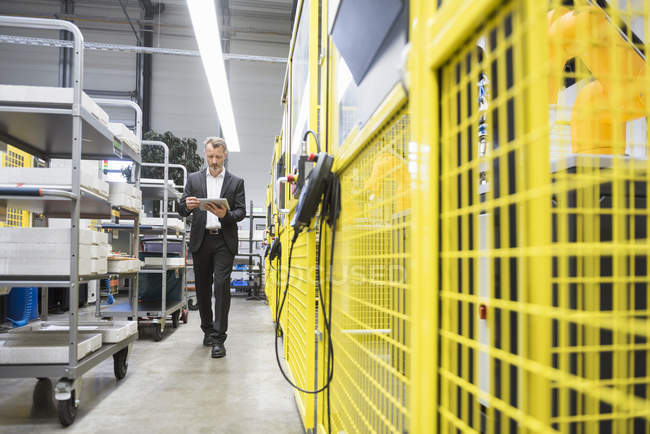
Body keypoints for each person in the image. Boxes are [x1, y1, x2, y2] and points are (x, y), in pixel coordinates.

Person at [179, 137, 246, 358]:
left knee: (221, 285)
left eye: (218, 156)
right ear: (205, 155)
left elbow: (241, 212)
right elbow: (182, 208)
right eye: (210, 156)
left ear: (225, 155)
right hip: (201, 240)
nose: (214, 161)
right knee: (203, 288)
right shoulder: (194, 179)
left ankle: (219, 338)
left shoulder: (236, 182)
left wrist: (226, 215)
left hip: (223, 241)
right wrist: (186, 206)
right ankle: (207, 330)